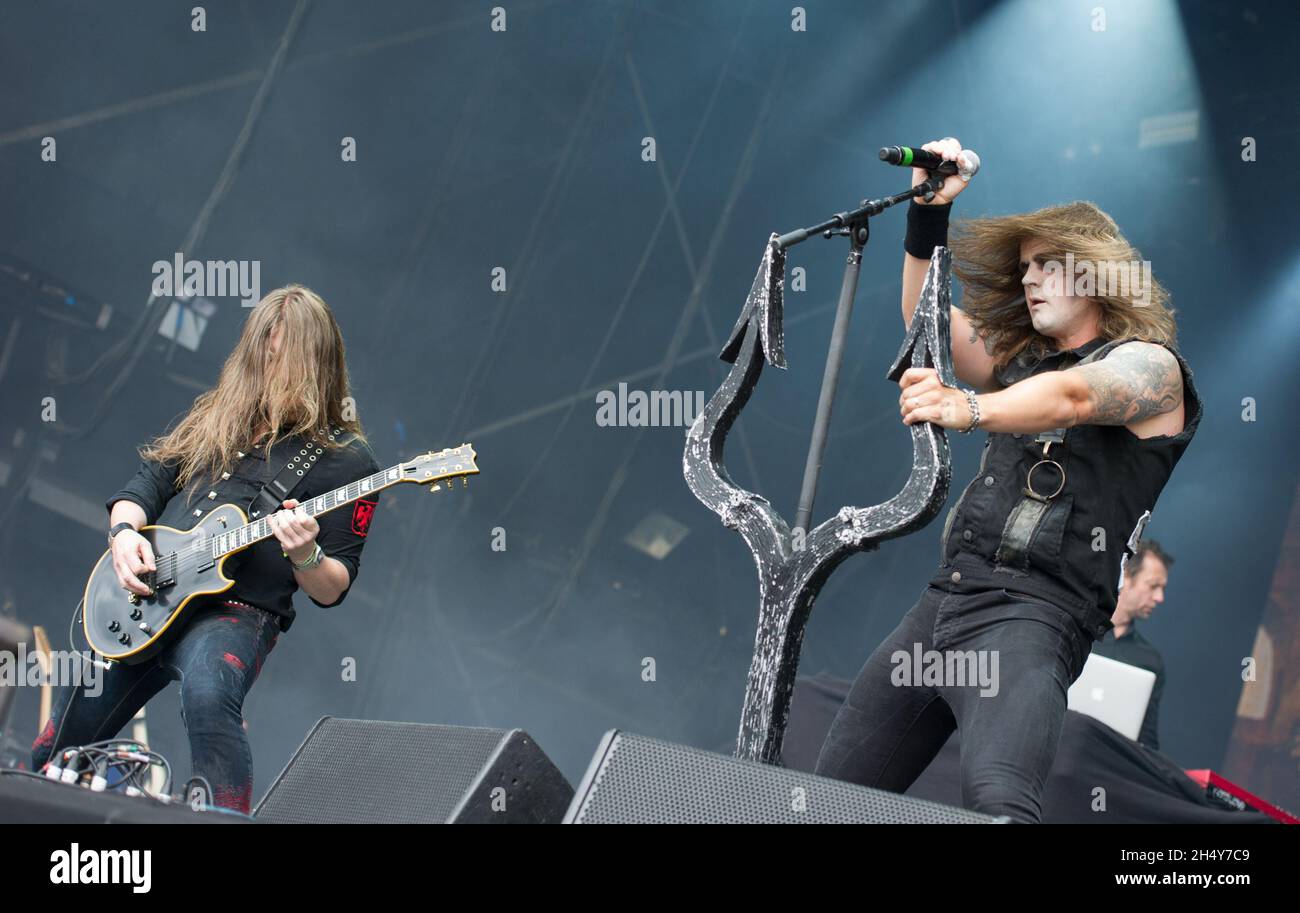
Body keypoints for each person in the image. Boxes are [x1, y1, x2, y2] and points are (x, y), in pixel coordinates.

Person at [814, 137, 1202, 822]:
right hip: (945, 602)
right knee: (830, 797)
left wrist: (968, 407)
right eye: (1025, 268)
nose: (1029, 279)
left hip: (1033, 614)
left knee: (1001, 804)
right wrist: (927, 219)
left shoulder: (1153, 370)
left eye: (1048, 266)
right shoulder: (1025, 362)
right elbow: (929, 326)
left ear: (1096, 276)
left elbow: (1079, 399)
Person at [31, 285, 380, 813]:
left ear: (315, 362)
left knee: (209, 696)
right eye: (261, 351)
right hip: (152, 600)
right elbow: (144, 486)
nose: (266, 366)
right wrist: (124, 536)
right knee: (64, 733)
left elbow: (333, 588)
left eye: (280, 355)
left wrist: (305, 554)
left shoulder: (347, 461)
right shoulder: (221, 413)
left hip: (238, 613)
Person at [1092, 539, 1173, 750]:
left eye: (1162, 589)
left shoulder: (1150, 661)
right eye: (1153, 586)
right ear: (1126, 577)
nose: (1160, 597)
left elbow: (1147, 741)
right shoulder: (1082, 631)